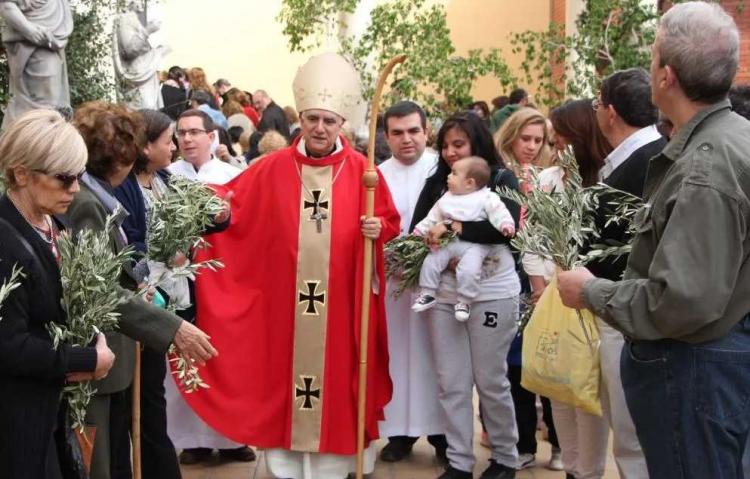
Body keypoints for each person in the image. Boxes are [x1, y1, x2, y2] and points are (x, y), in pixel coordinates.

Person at [170, 52, 399, 479]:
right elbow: (233, 207)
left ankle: (333, 468)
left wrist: (376, 227)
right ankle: (287, 471)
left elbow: (387, 222)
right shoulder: (271, 168)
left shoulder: (363, 173)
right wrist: (204, 208)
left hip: (342, 310)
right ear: (302, 118)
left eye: (329, 121)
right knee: (282, 389)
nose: (319, 128)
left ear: (341, 124)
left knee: (336, 389)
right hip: (286, 313)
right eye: (312, 118)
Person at [557, 3, 750, 478]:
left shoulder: (705, 166)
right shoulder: (731, 137)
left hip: (694, 371)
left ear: (665, 76)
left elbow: (683, 299)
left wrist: (591, 291)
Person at [68, 102, 219, 479]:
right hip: (104, 348)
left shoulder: (103, 195)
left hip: (127, 333)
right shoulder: (89, 203)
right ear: (120, 155)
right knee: (106, 453)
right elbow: (100, 286)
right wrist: (169, 324)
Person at [0, 109, 115, 479]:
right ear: (21, 174)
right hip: (17, 425)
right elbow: (10, 346)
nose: (75, 189)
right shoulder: (5, 243)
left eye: (79, 177)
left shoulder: (53, 224)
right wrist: (85, 358)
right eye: (64, 179)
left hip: (51, 415)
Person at [410, 112, 521, 479]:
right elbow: (420, 228)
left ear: (477, 143)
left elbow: (506, 232)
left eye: (458, 144)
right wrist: (432, 236)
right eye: (444, 146)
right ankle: (459, 461)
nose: (450, 153)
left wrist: (454, 227)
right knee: (452, 382)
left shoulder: (500, 180)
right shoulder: (441, 184)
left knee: (491, 380)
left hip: (492, 294)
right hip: (444, 295)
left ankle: (505, 457)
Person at [589, 67, 665, 479]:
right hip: (627, 310)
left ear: (611, 112)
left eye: (597, 105)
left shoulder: (646, 161)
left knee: (634, 437)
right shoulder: (644, 154)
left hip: (629, 314)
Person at [539, 99, 611, 479]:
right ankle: (571, 468)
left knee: (588, 394)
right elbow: (533, 235)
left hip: (594, 297)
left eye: (561, 137)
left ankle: (590, 472)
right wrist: (539, 284)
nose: (555, 145)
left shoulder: (605, 179)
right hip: (554, 296)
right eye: (554, 139)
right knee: (558, 388)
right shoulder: (548, 180)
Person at [377, 100, 447, 464]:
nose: (407, 140)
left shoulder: (445, 170)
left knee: (437, 358)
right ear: (386, 136)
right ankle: (400, 435)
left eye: (414, 131)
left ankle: (441, 435)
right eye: (398, 133)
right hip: (392, 284)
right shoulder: (376, 175)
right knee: (397, 357)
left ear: (426, 130)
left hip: (439, 284)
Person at [412, 156, 515, 321]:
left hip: (476, 245)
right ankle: (428, 292)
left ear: (469, 183)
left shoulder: (487, 198)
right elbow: (432, 217)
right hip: (451, 241)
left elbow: (499, 213)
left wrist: (506, 225)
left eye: (454, 173)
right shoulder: (447, 198)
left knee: (469, 269)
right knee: (432, 260)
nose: (448, 176)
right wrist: (419, 231)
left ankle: (464, 301)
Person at [0, 0, 73, 129]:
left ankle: (39, 140)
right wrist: (29, 30)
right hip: (32, 43)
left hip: (51, 40)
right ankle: (34, 141)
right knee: (43, 102)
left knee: (51, 102)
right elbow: (6, 5)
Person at [494, 108, 550, 193]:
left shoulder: (544, 171)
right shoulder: (497, 171)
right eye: (525, 139)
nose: (532, 147)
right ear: (510, 136)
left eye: (538, 140)